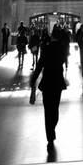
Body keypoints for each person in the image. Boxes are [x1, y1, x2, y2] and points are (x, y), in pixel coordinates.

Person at [30, 25, 67, 153]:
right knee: (55, 108)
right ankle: (52, 128)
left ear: (52, 36)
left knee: (47, 109)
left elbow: (40, 64)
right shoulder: (61, 49)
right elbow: (63, 61)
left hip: (47, 82)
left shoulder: (46, 48)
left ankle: (49, 134)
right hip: (57, 82)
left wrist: (34, 78)